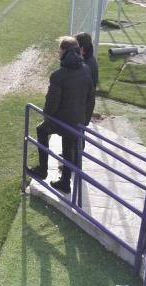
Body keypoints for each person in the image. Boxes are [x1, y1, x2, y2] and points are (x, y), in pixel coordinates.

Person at [27, 37, 95, 194]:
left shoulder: (58, 75)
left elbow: (51, 105)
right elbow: (91, 98)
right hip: (77, 121)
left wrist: (47, 118)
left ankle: (42, 169)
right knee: (69, 144)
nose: (58, 52)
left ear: (64, 51)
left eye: (59, 49)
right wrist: (84, 120)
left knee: (42, 130)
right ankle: (65, 182)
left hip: (63, 121)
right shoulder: (86, 69)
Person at [75, 32, 98, 96]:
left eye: (75, 46)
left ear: (81, 49)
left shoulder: (85, 66)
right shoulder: (90, 58)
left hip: (83, 104)